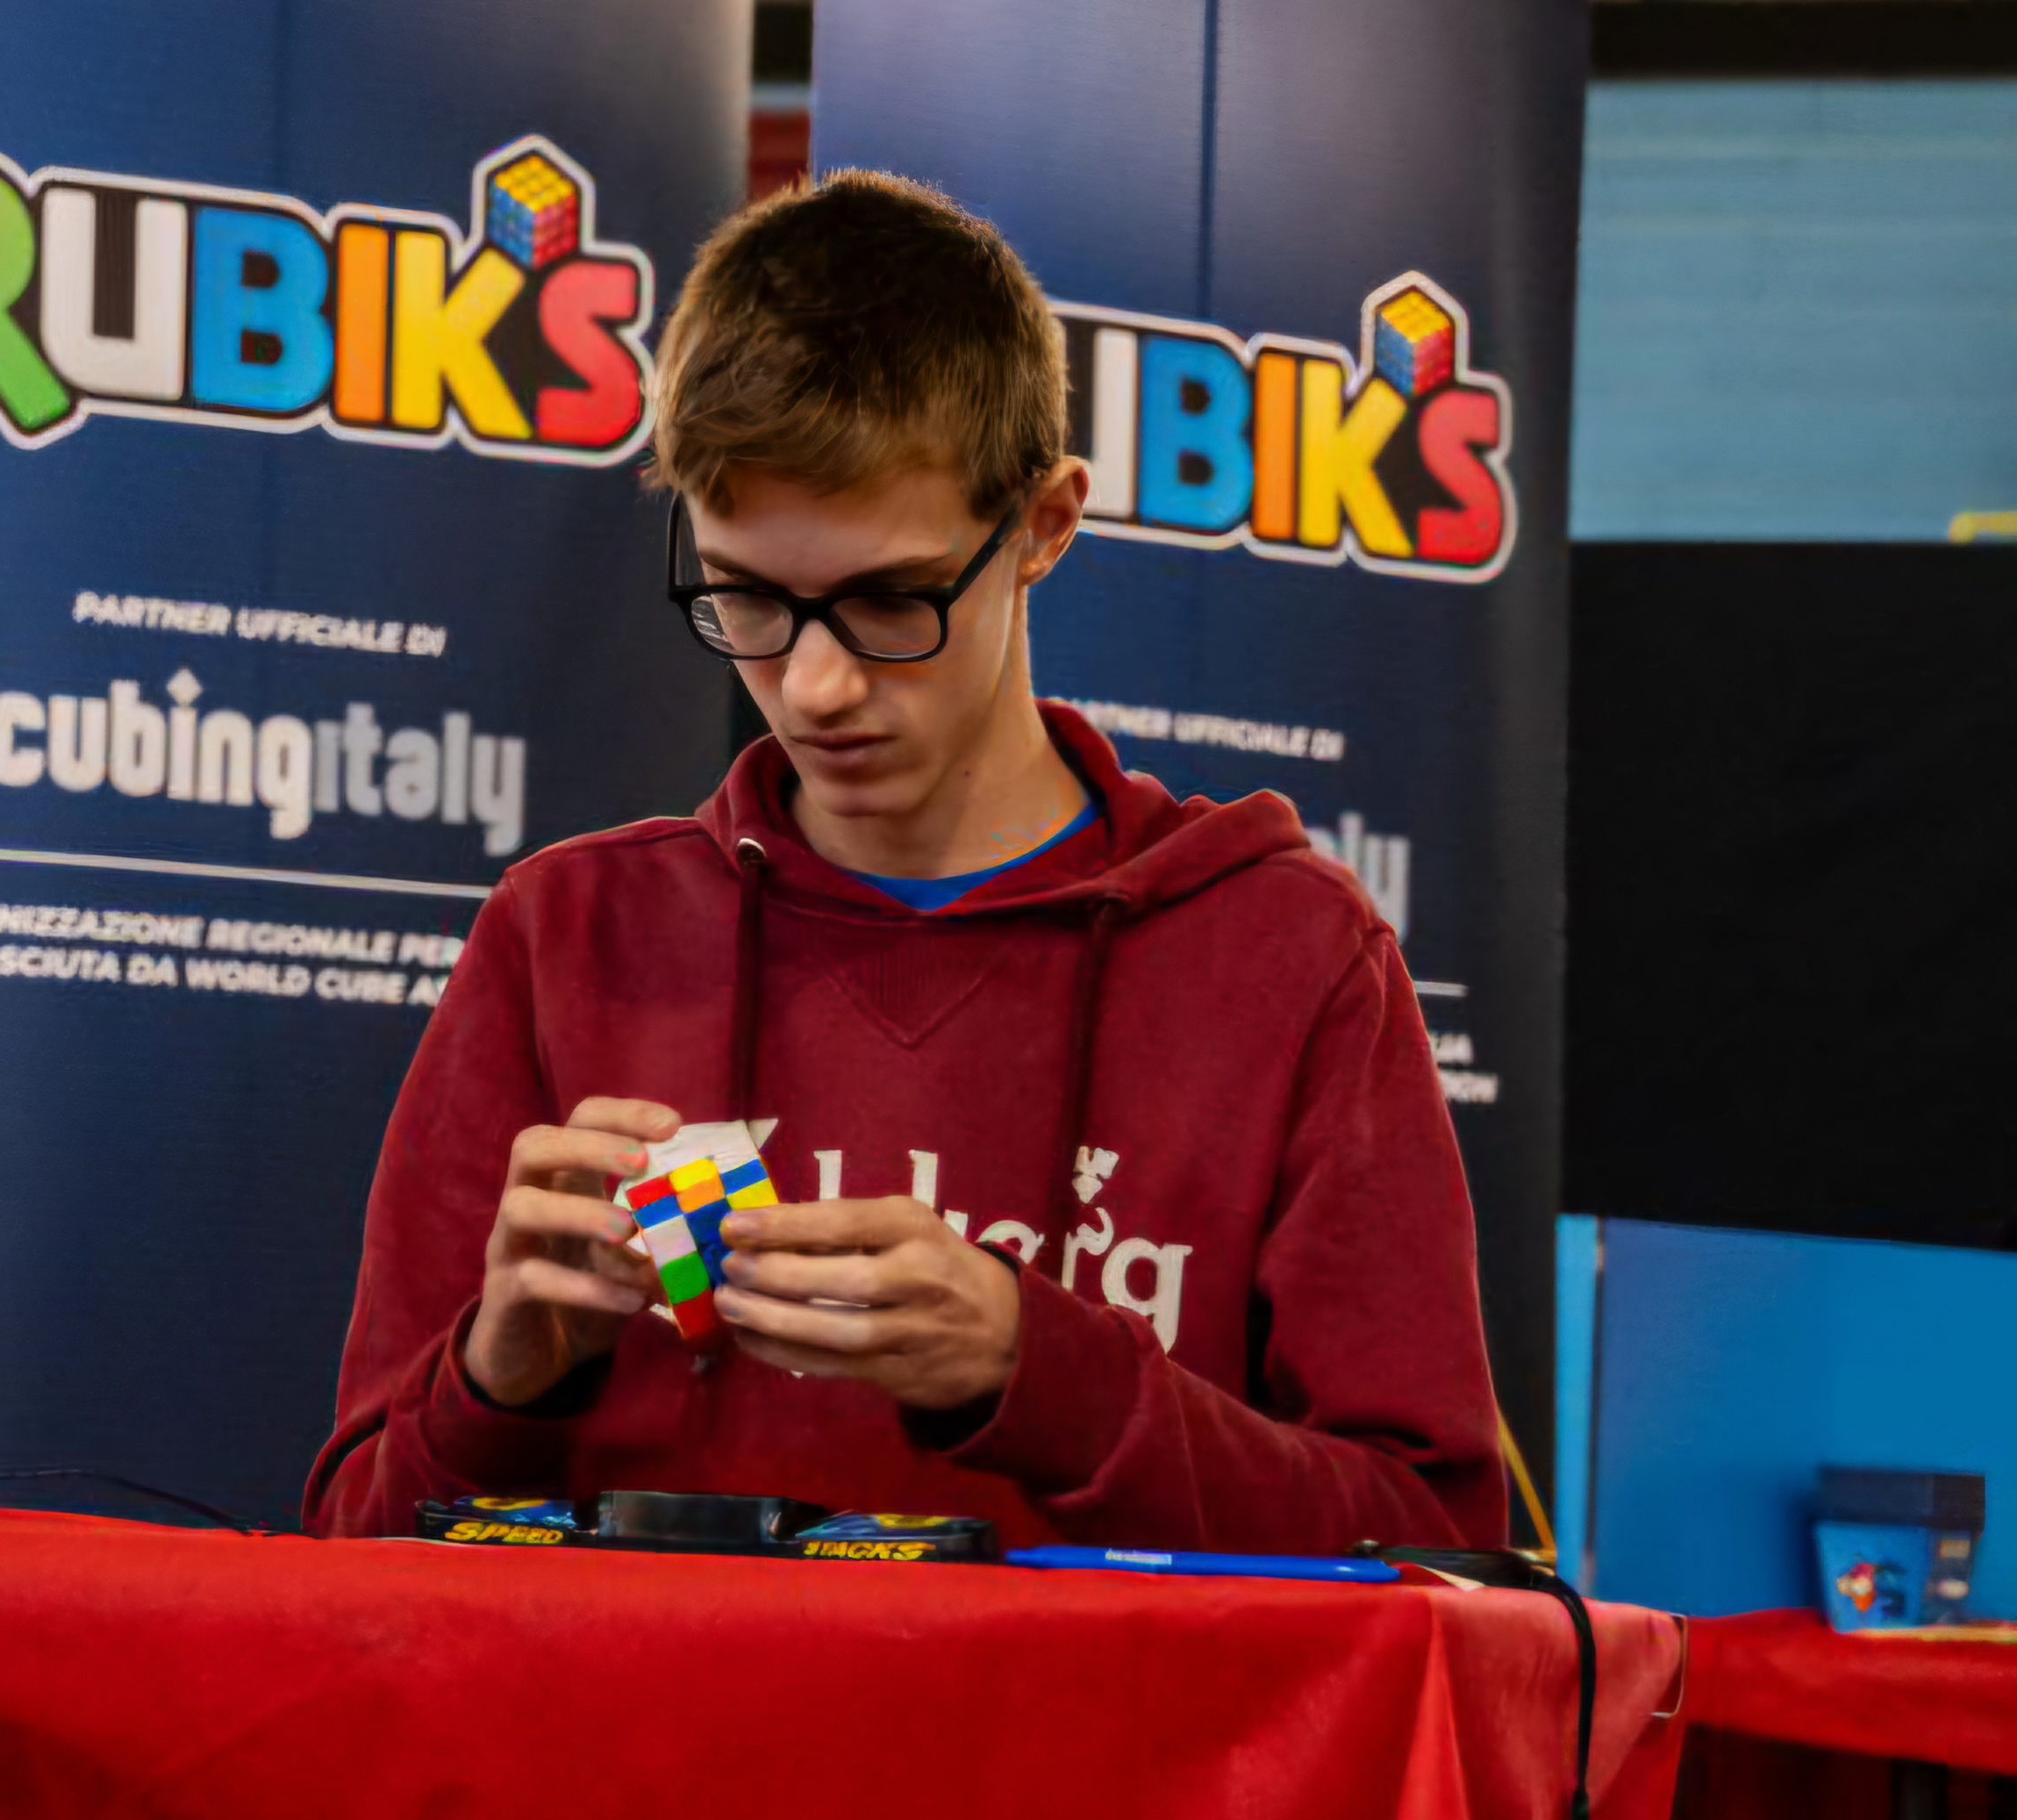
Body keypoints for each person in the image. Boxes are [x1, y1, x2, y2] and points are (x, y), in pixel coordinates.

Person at [305, 172, 1505, 1553]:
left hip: (1091, 1710)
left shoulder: (1285, 957)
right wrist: (496, 1381)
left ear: (1044, 526)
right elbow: (353, 1550)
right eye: (747, 596)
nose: (814, 687)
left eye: (889, 601)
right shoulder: (567, 934)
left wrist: (1038, 1374)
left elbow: (1437, 1551)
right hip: (632, 1702)